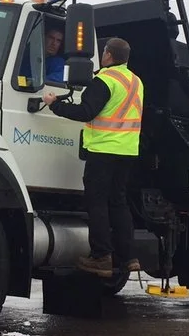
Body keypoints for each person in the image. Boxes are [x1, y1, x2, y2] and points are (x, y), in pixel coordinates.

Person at [43, 37, 144, 277]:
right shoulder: (136, 81)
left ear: (107, 54)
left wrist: (54, 104)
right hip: (127, 151)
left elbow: (86, 112)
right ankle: (128, 257)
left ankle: (101, 257)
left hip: (103, 150)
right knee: (118, 203)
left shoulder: (104, 80)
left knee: (97, 202)